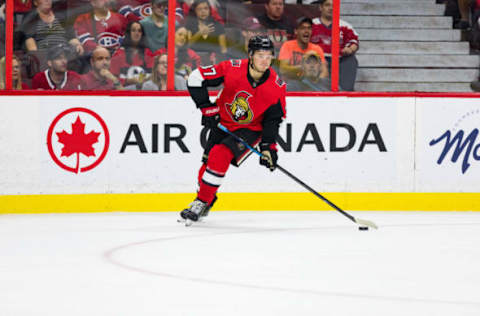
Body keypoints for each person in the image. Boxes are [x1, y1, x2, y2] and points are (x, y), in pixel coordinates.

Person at [179, 35, 286, 223]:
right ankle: (207, 201)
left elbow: (273, 119)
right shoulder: (232, 68)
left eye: (269, 56)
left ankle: (200, 202)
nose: (265, 60)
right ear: (251, 55)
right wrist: (207, 108)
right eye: (261, 55)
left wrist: (269, 147)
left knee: (220, 154)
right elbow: (196, 78)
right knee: (206, 167)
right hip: (223, 123)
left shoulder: (276, 86)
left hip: (250, 129)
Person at [310, 0, 359, 91]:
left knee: (351, 60)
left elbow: (354, 41)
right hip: (318, 60)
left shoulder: (345, 25)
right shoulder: (312, 24)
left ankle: (345, 93)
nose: (331, 8)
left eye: (333, 6)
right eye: (327, 5)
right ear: (321, 7)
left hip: (340, 60)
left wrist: (350, 49)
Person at [19, 0, 83, 65]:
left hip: (65, 53)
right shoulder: (31, 17)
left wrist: (77, 45)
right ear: (35, 2)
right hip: (45, 57)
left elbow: (71, 37)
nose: (47, 0)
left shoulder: (61, 15)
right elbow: (29, 40)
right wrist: (37, 57)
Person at [278, 16, 328, 82]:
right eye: (303, 28)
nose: (306, 31)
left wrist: (317, 83)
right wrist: (302, 68)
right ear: (296, 31)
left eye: (309, 28)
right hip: (290, 85)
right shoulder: (287, 45)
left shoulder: (317, 49)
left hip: (310, 86)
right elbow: (282, 69)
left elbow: (324, 72)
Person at [111, 21, 154, 89]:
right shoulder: (119, 54)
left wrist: (141, 80)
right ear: (128, 33)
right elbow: (112, 79)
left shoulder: (148, 53)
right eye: (133, 30)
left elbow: (153, 75)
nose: (137, 33)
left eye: (139, 31)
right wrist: (127, 81)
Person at [185, 0, 227, 65]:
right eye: (199, 9)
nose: (203, 11)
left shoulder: (218, 26)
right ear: (195, 11)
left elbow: (223, 49)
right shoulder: (189, 25)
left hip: (213, 61)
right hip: (194, 61)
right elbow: (187, 45)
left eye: (206, 8)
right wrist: (199, 33)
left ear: (209, 10)